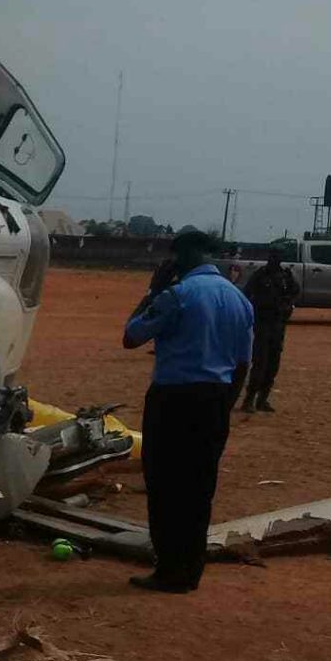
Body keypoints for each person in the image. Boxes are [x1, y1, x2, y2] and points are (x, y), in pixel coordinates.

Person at [123, 231, 253, 593]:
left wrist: (153, 290)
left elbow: (131, 336)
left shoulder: (177, 295)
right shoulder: (239, 299)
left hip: (173, 399)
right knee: (199, 487)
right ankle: (190, 570)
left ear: (181, 256)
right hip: (214, 399)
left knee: (164, 485)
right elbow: (243, 363)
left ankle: (168, 569)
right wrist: (225, 404)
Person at [241, 247, 299, 413]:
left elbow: (295, 291)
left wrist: (288, 303)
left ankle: (263, 399)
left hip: (278, 323)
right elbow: (246, 293)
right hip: (262, 323)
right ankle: (249, 399)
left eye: (278, 256)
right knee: (260, 362)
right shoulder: (260, 275)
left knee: (273, 364)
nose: (276, 259)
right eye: (273, 255)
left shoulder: (286, 276)